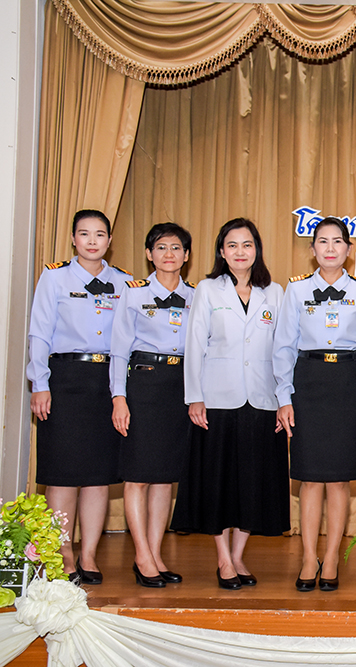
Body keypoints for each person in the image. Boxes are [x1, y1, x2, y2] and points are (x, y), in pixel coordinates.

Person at [171, 217, 289, 589]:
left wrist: (284, 398)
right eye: (233, 245)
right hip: (217, 399)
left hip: (262, 398)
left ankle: (239, 557)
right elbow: (195, 345)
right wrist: (195, 397)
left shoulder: (275, 292)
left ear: (257, 250)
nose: (241, 252)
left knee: (252, 484)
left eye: (247, 245)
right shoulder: (207, 290)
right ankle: (223, 558)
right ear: (222, 252)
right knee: (217, 482)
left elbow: (282, 350)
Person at [27, 209, 131, 585]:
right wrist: (40, 382)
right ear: (73, 238)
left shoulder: (124, 283)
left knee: (98, 476)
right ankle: (63, 552)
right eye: (84, 234)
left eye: (99, 234)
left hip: (107, 381)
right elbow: (39, 333)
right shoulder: (54, 277)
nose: (92, 241)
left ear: (108, 241)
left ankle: (89, 553)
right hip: (65, 379)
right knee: (63, 474)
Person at [274, 217, 356, 592]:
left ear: (348, 250)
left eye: (337, 241)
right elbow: (283, 346)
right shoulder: (296, 290)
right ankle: (307, 556)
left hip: (348, 386)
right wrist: (283, 397)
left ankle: (331, 556)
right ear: (312, 249)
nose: (330, 248)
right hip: (308, 382)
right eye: (322, 241)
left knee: (339, 480)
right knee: (309, 478)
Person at [110, 223, 194, 587]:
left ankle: (157, 553)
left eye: (176, 248)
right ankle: (141, 555)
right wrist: (118, 397)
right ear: (149, 254)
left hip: (180, 387)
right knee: (139, 476)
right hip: (143, 383)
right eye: (161, 247)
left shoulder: (197, 296)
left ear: (187, 255)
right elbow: (117, 350)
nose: (169, 254)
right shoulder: (132, 293)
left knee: (165, 478)